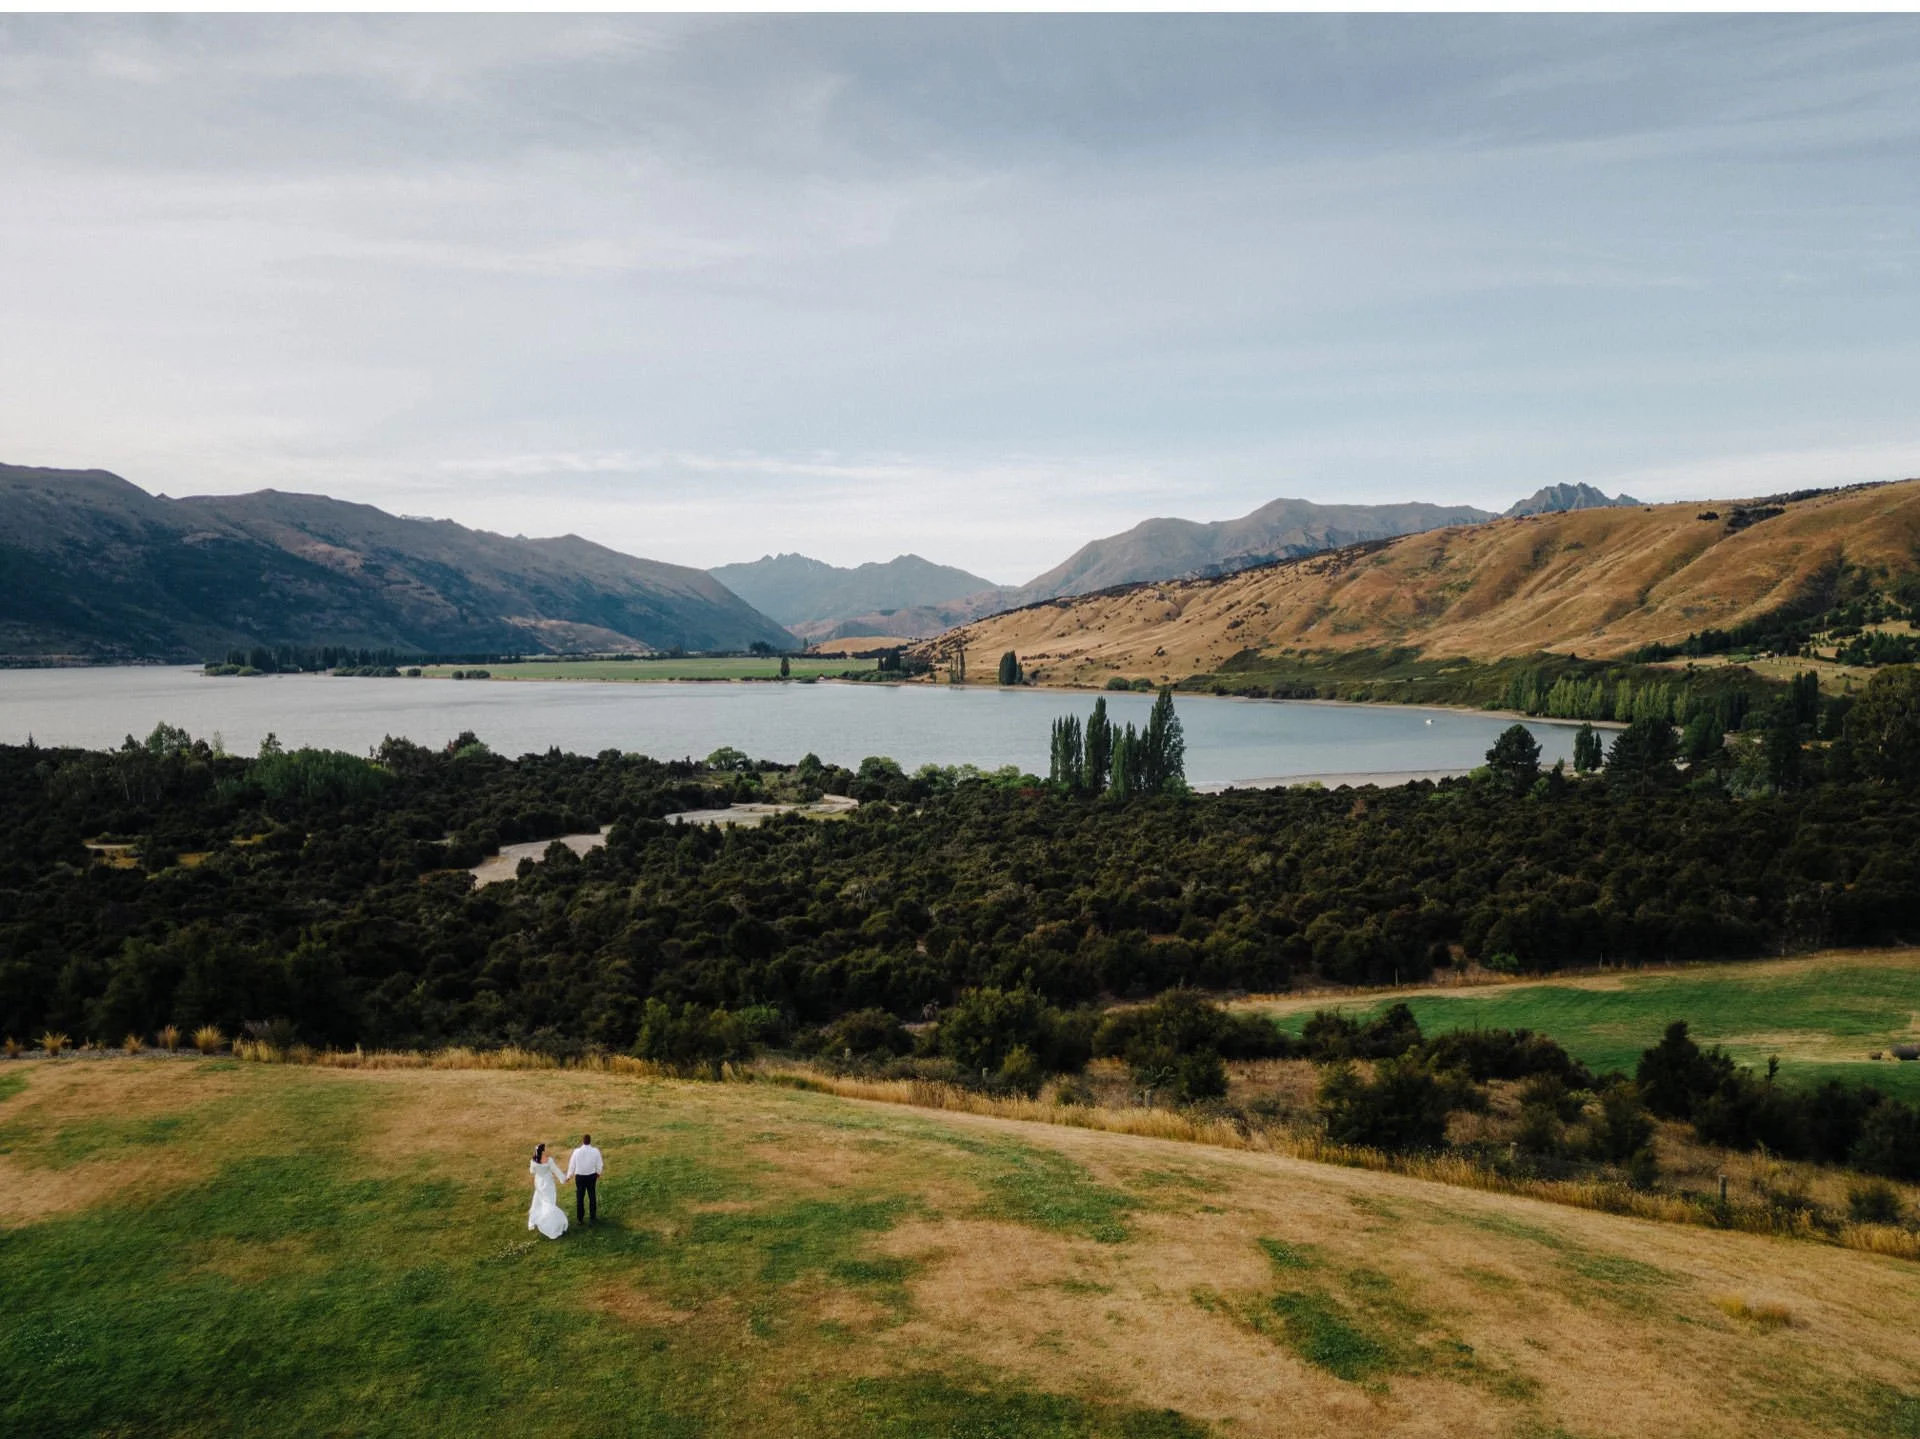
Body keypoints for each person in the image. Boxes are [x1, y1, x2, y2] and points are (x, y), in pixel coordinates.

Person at [527, 1143, 569, 1239]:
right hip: (548, 1184)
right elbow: (556, 1170)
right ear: (542, 1151)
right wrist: (563, 1179)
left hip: (538, 1183)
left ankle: (533, 1221)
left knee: (538, 1201)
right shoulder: (549, 1161)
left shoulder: (533, 1161)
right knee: (549, 1203)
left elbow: (532, 1171)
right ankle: (551, 1225)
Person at [564, 1132, 604, 1225]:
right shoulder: (595, 1151)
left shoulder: (576, 1152)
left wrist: (569, 1176)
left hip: (580, 1177)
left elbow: (572, 1165)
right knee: (592, 1196)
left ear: (583, 1141)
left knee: (580, 1198)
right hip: (591, 1176)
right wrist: (598, 1172)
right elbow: (599, 1163)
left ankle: (580, 1219)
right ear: (590, 1141)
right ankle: (592, 1218)